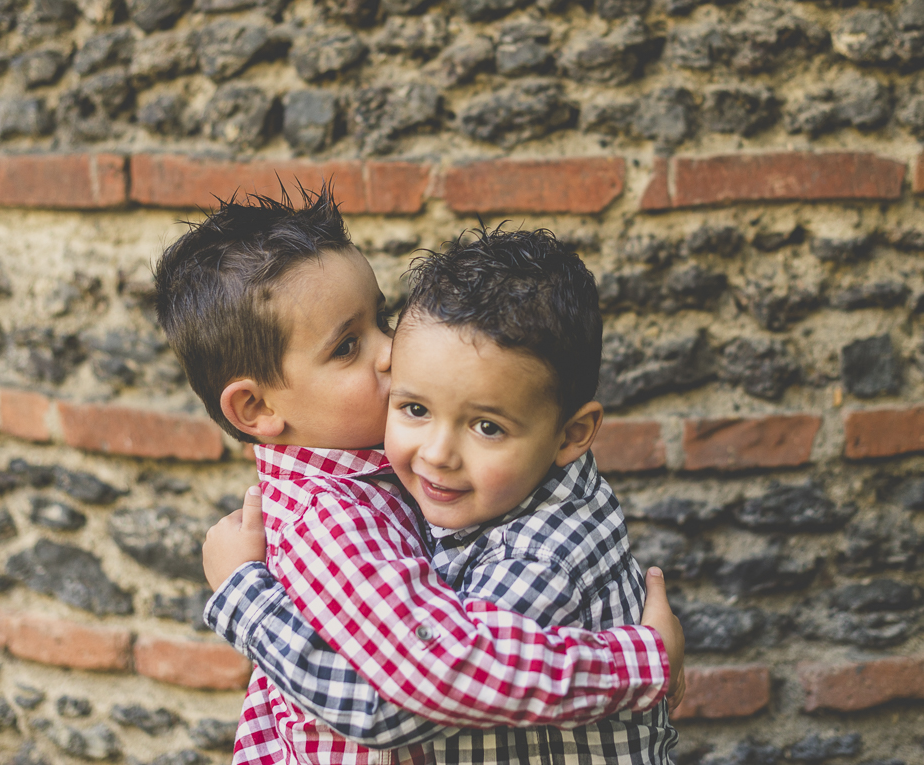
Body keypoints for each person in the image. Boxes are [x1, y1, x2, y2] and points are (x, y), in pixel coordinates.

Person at [153, 185, 684, 765]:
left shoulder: (388, 473)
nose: (390, 350)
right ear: (257, 410)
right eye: (348, 346)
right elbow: (416, 692)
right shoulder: (331, 520)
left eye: (382, 318)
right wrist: (641, 663)